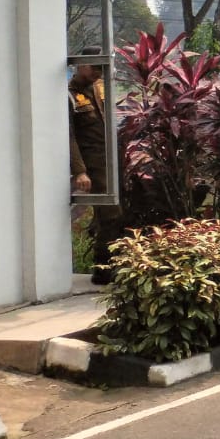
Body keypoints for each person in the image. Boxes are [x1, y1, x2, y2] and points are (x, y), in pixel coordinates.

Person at [68, 46, 123, 285]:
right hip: (93, 165)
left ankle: (112, 265)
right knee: (110, 215)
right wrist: (80, 170)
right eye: (95, 68)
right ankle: (104, 270)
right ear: (81, 65)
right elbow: (69, 136)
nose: (99, 73)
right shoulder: (69, 95)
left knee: (113, 215)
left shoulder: (99, 91)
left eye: (102, 69)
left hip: (110, 162)